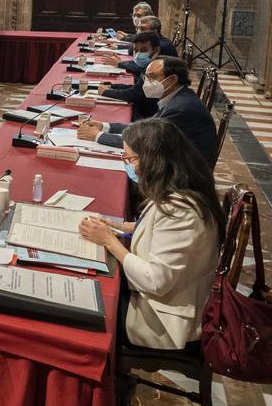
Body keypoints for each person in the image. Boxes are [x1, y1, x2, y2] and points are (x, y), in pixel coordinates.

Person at [77, 119, 224, 350]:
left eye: (131, 159)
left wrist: (109, 241)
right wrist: (120, 227)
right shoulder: (182, 186)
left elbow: (156, 281)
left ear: (154, 161)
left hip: (162, 318)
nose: (129, 165)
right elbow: (159, 230)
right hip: (161, 298)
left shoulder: (181, 209)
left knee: (82, 305)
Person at [78, 57, 218, 162]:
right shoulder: (176, 97)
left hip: (181, 174)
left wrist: (98, 136)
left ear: (172, 80)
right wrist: (105, 126)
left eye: (152, 77)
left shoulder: (180, 108)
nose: (146, 82)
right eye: (146, 77)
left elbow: (146, 145)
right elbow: (147, 127)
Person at [100, 31, 162, 120]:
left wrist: (106, 92)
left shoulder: (156, 69)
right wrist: (112, 86)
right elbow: (138, 88)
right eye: (136, 51)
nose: (139, 54)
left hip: (147, 114)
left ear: (156, 50)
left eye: (143, 50)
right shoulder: (151, 64)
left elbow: (133, 94)